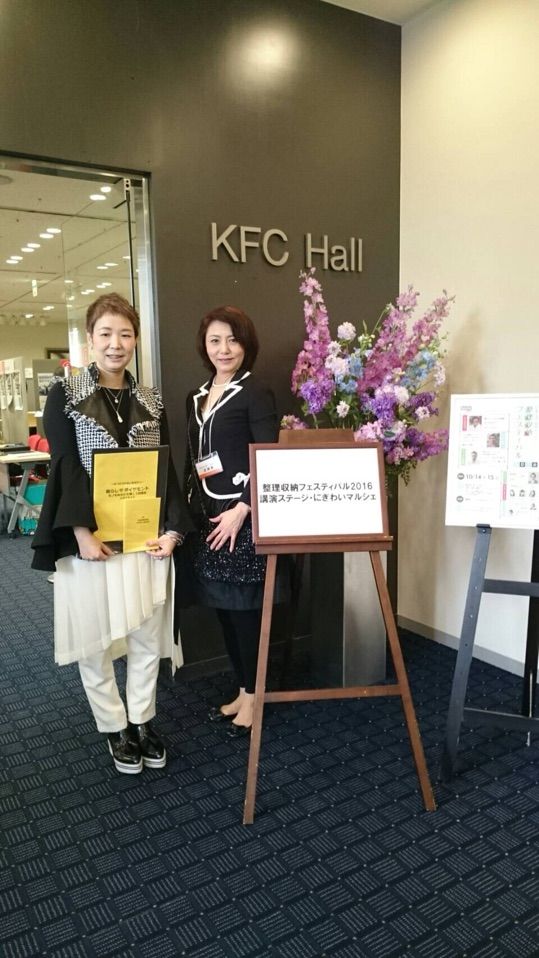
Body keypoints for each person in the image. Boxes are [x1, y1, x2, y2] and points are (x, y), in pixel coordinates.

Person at [31, 293, 191, 774]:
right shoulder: (65, 395)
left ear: (135, 340)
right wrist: (80, 531)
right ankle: (113, 726)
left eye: (124, 334)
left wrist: (173, 530)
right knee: (95, 638)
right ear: (90, 339)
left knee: (146, 634)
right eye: (105, 334)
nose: (115, 344)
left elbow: (164, 469)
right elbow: (65, 465)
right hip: (92, 540)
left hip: (142, 537)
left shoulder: (151, 400)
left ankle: (141, 719)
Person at [183, 306, 279, 736]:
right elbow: (192, 459)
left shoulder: (255, 391)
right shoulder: (196, 395)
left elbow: (268, 457)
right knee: (223, 610)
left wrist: (243, 509)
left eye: (233, 340)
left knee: (245, 613)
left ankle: (257, 695)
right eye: (215, 340)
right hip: (208, 519)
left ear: (246, 344)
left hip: (241, 520)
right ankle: (243, 689)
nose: (224, 349)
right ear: (204, 346)